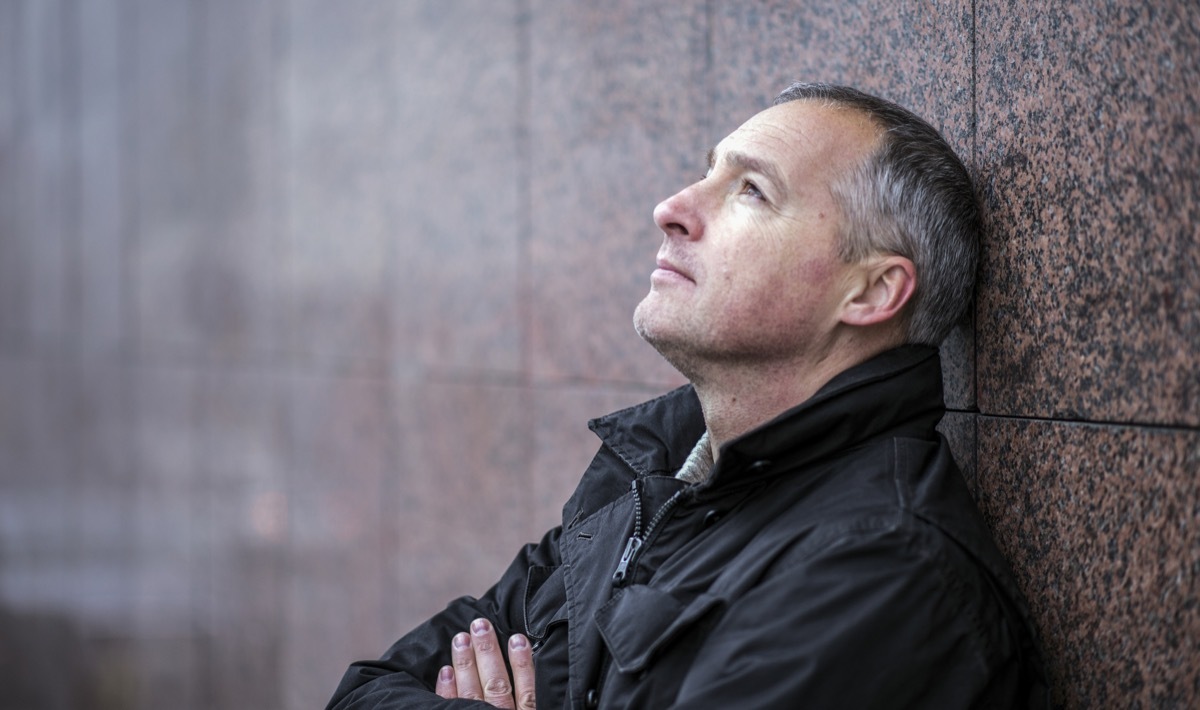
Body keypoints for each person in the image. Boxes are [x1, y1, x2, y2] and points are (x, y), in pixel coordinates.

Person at [327, 82, 1049, 709]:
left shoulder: (882, 572)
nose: (670, 208)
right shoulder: (652, 479)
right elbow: (365, 689)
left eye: (751, 191)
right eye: (706, 173)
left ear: (871, 291)